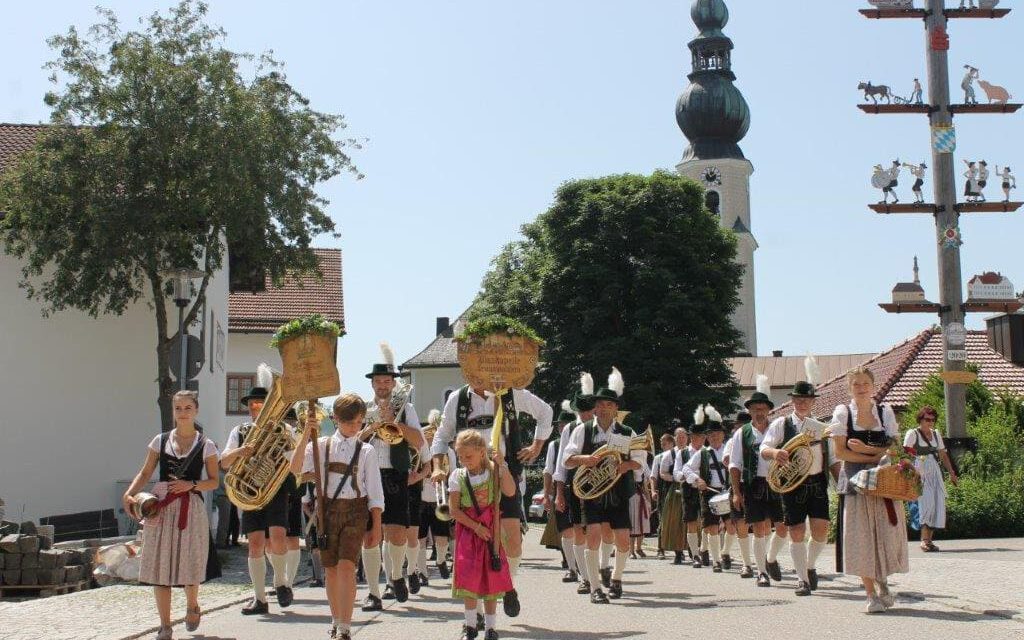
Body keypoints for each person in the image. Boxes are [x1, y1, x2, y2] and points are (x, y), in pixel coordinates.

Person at [431, 378, 553, 616]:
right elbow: (442, 435)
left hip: (503, 473)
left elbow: (545, 412)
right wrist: (437, 466)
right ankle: (476, 609)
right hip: (470, 480)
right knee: (474, 548)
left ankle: (507, 584)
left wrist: (536, 447)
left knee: (514, 543)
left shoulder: (512, 393)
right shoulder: (458, 399)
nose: (479, 374)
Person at [123, 390, 221, 640]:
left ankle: (192, 605)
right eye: (178, 408)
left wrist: (192, 485)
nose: (183, 413)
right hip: (162, 507)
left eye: (188, 408)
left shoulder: (206, 445)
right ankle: (165, 625)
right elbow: (145, 473)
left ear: (196, 410)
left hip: (191, 508)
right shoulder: (160, 440)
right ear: (173, 412)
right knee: (159, 566)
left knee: (190, 561)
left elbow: (213, 482)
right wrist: (130, 493)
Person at [290, 393, 384, 640]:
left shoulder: (367, 450)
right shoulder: (320, 445)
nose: (355, 427)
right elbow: (296, 468)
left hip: (356, 511)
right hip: (328, 512)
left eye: (359, 422)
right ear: (336, 419)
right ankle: (335, 618)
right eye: (350, 422)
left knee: (346, 567)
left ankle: (345, 626)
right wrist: (304, 435)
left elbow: (374, 491)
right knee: (331, 569)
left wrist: (377, 525)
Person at [830, 367, 909, 614]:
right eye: (856, 384)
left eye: (865, 383)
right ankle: (870, 594)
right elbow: (841, 453)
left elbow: (895, 451)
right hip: (855, 483)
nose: (861, 388)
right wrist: (878, 454)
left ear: (873, 386)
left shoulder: (885, 413)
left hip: (885, 482)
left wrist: (865, 450)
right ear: (849, 388)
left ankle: (883, 581)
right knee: (861, 539)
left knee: (886, 535)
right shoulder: (843, 413)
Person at [563, 368, 644, 604]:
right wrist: (584, 460)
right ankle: (595, 587)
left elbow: (639, 462)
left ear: (616, 408)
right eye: (601, 405)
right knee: (594, 537)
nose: (606, 408)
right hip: (592, 492)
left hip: (618, 491)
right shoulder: (582, 430)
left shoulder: (628, 432)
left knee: (623, 539)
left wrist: (624, 466)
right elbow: (567, 459)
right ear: (595, 408)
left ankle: (617, 579)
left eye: (610, 405)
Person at [219, 365, 295, 614]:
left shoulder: (284, 430)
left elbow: (293, 460)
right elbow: (224, 462)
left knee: (277, 538)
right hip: (250, 494)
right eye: (252, 403)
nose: (256, 407)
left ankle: (281, 582)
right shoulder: (239, 431)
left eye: (261, 403)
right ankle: (259, 599)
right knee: (254, 544)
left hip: (274, 491)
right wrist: (241, 452)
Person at [761, 373, 841, 596]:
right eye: (798, 399)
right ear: (793, 401)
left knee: (821, 532)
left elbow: (833, 460)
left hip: (816, 483)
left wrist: (843, 484)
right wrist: (776, 452)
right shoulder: (781, 423)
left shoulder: (822, 428)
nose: (802, 403)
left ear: (813, 401)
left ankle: (810, 565)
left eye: (806, 399)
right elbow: (764, 448)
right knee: (795, 530)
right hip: (791, 484)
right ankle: (802, 580)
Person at [360, 346, 424, 610]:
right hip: (367, 475)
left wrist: (394, 423)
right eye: (378, 382)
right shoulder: (363, 408)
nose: (383, 385)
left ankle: (396, 574)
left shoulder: (405, 408)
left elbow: (419, 440)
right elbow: (354, 439)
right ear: (372, 384)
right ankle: (373, 593)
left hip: (395, 474)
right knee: (370, 536)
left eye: (387, 381)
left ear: (393, 383)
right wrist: (373, 426)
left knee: (396, 533)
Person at [448, 430, 516, 640]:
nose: (464, 461)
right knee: (469, 579)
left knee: (491, 578)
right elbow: (454, 510)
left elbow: (510, 491)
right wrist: (476, 527)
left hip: (492, 533)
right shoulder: (457, 476)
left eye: (468, 456)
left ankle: (490, 628)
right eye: (460, 456)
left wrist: (502, 465)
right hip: (469, 533)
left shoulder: (494, 471)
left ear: (481, 452)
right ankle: (470, 626)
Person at [728, 382, 787, 586]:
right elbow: (734, 465)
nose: (759, 413)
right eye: (755, 409)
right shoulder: (741, 433)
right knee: (759, 528)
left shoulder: (778, 429)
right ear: (750, 411)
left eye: (762, 409)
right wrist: (736, 493)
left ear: (769, 410)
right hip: (753, 484)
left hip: (778, 483)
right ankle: (761, 572)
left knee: (782, 527)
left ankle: (770, 559)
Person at [554, 376, 597, 594]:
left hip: (601, 484)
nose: (585, 415)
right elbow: (562, 463)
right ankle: (585, 577)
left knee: (597, 530)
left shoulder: (601, 426)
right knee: (579, 529)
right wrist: (559, 493)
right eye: (581, 412)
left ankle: (598, 571)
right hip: (576, 484)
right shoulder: (570, 429)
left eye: (588, 411)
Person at [903, 406, 958, 552]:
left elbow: (943, 454)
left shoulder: (936, 434)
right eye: (927, 419)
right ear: (920, 419)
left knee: (937, 502)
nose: (930, 422)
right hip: (919, 470)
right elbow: (905, 453)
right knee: (925, 504)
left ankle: (930, 540)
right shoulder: (913, 433)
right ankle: (924, 540)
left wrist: (951, 472)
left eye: (933, 420)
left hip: (934, 470)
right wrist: (912, 470)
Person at [681, 406, 729, 572]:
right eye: (711, 435)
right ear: (707, 437)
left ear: (723, 435)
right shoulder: (702, 453)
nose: (714, 436)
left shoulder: (729, 450)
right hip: (708, 493)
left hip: (727, 491)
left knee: (732, 525)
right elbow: (686, 469)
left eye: (717, 434)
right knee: (712, 527)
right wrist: (697, 479)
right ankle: (716, 561)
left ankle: (725, 553)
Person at [418, 410, 456, 583]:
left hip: (440, 495)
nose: (432, 435)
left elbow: (454, 474)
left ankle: (441, 559)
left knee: (441, 537)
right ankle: (422, 572)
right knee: (420, 538)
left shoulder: (448, 451)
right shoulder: (419, 448)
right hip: (420, 496)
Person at [544, 403, 580, 581]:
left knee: (581, 528)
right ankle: (570, 563)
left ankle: (581, 564)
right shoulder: (554, 444)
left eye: (563, 424)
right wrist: (546, 495)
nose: (561, 427)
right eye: (559, 425)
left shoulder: (582, 435)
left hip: (582, 486)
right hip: (564, 487)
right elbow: (549, 470)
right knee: (566, 528)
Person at [673, 418, 707, 569]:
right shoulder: (682, 453)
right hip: (688, 490)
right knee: (691, 522)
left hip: (706, 489)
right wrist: (688, 477)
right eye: (692, 436)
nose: (695, 439)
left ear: (703, 438)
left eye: (698, 436)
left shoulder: (707, 452)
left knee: (708, 522)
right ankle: (695, 555)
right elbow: (676, 473)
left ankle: (704, 549)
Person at [650, 431, 676, 560]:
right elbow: (653, 476)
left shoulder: (680, 454)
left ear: (672, 443)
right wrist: (653, 491)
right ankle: (660, 549)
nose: (662, 445)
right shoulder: (658, 457)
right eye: (661, 443)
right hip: (663, 491)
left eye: (664, 443)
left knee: (678, 520)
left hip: (677, 492)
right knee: (662, 520)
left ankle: (679, 549)